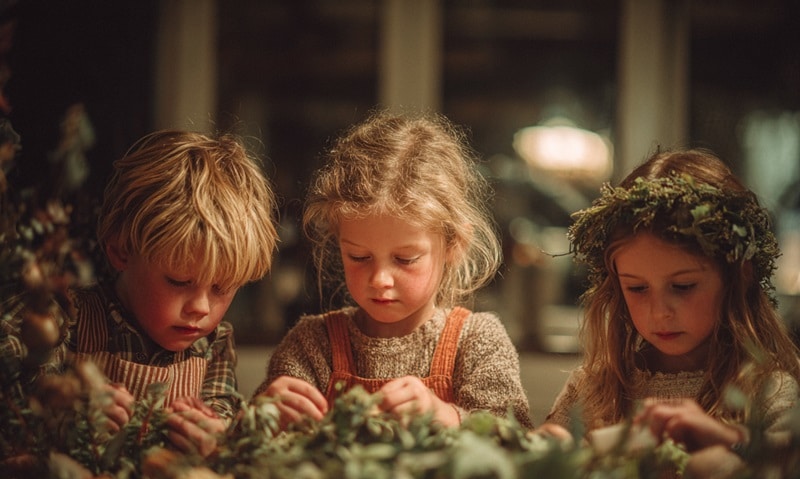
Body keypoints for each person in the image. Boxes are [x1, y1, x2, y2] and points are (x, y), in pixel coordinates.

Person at [256, 110, 533, 430]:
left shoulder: (476, 341)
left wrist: (448, 417)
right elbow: (253, 447)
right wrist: (266, 414)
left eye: (404, 260)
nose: (380, 280)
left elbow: (518, 441)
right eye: (359, 257)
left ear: (454, 245)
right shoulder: (311, 345)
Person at [14, 130, 279, 457]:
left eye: (221, 288)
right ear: (121, 251)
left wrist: (216, 437)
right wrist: (70, 414)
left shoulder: (215, 346)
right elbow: (20, 410)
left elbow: (222, 417)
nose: (200, 307)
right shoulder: (69, 318)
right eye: (179, 282)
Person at [543, 148, 800, 451]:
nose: (659, 312)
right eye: (637, 288)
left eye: (683, 286)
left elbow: (786, 474)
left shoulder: (767, 392)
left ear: (739, 277)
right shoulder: (592, 390)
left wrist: (728, 442)